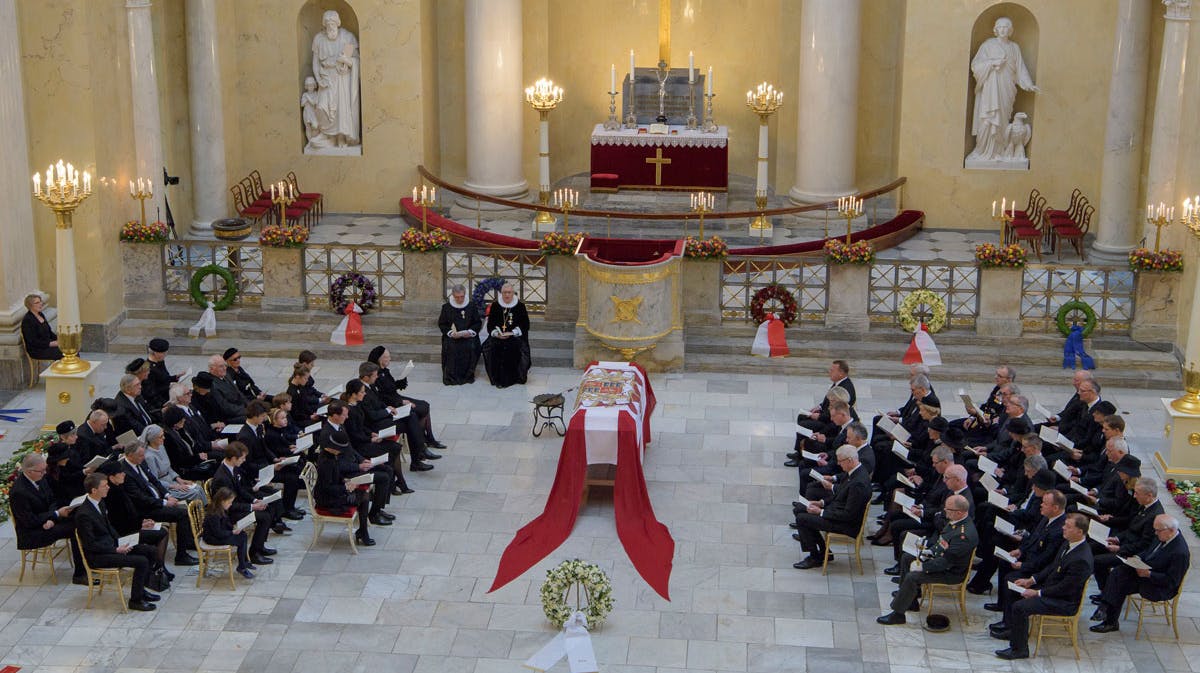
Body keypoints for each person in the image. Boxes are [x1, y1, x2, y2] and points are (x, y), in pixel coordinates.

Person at [991, 513, 1093, 660]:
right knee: (1013, 584)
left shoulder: (1081, 559)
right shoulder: (1068, 543)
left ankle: (1019, 650)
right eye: (1065, 524)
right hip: (1052, 587)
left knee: (1020, 607)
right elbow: (1053, 566)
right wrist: (1031, 580)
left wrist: (1037, 593)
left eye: (1068, 526)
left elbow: (1065, 588)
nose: (1063, 528)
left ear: (1079, 532)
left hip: (1064, 601)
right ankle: (1013, 630)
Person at [877, 494, 978, 625]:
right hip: (940, 560)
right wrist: (928, 552)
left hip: (951, 572)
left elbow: (946, 562)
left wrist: (923, 567)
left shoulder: (963, 535)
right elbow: (942, 542)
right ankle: (910, 600)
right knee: (907, 558)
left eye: (948, 509)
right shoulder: (956, 522)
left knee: (913, 577)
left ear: (959, 512)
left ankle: (898, 614)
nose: (944, 511)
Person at [74, 473, 161, 611]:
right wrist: (115, 550)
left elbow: (109, 528)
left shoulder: (100, 503)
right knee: (141, 561)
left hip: (112, 545)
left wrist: (122, 541)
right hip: (99, 555)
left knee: (151, 551)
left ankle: (141, 590)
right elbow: (91, 544)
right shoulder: (84, 514)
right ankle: (136, 601)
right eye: (104, 486)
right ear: (94, 490)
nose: (108, 487)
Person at [1090, 514, 1190, 633]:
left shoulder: (1180, 553)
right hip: (1147, 570)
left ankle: (1109, 618)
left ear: (1171, 530)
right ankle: (1105, 607)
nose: (1155, 533)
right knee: (1118, 572)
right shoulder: (1164, 535)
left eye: (1158, 530)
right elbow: (1149, 552)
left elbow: (1172, 581)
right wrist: (1137, 558)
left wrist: (1149, 574)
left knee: (1120, 584)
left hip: (1159, 586)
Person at [967, 17, 1038, 163]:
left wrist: (1029, 84)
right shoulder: (988, 45)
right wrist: (992, 63)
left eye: (1006, 27)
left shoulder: (1014, 48)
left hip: (1007, 88)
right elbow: (976, 65)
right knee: (988, 120)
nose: (1003, 29)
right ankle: (982, 150)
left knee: (1003, 120)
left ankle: (1000, 151)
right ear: (996, 29)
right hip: (990, 90)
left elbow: (1020, 69)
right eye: (1000, 27)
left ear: (1010, 30)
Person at [9, 453, 87, 584]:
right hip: (33, 532)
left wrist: (53, 517)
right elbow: (29, 521)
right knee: (76, 529)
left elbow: (52, 500)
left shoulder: (40, 478)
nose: (45, 473)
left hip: (47, 521)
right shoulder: (19, 492)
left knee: (80, 518)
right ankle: (80, 574)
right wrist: (55, 514)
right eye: (41, 471)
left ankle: (91, 560)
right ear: (29, 471)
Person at [791, 445, 871, 569]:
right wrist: (821, 503)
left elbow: (848, 514)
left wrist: (821, 512)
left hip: (846, 524)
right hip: (837, 511)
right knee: (799, 509)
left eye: (840, 461)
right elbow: (840, 495)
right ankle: (824, 551)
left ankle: (815, 557)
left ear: (850, 460)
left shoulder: (858, 484)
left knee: (802, 519)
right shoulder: (855, 471)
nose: (838, 464)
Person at [210, 442, 278, 566]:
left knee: (270, 508)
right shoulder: (221, 478)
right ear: (233, 458)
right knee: (264, 517)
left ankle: (260, 545)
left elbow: (240, 490)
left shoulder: (233, 468)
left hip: (237, 504)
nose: (244, 460)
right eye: (242, 458)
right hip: (228, 513)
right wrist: (252, 507)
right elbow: (228, 505)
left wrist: (254, 500)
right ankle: (254, 553)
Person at [368, 346, 446, 449]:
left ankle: (429, 438)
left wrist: (402, 380)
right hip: (392, 403)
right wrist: (401, 402)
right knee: (421, 409)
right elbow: (382, 397)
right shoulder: (376, 376)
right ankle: (422, 440)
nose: (390, 359)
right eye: (387, 357)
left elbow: (390, 387)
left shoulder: (384, 371)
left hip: (396, 398)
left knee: (424, 405)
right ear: (380, 359)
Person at [309, 9, 360, 151]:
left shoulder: (347, 37)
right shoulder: (319, 39)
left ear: (338, 23)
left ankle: (341, 136)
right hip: (325, 78)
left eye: (332, 24)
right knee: (321, 107)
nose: (330, 27)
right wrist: (318, 79)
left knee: (341, 109)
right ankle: (328, 136)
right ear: (324, 25)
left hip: (341, 79)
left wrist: (346, 62)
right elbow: (315, 62)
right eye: (327, 24)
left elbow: (353, 59)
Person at [314, 430, 374, 546]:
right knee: (363, 496)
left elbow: (336, 475)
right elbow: (327, 487)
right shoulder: (326, 462)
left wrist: (345, 481)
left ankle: (363, 531)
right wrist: (345, 487)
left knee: (364, 494)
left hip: (334, 491)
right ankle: (363, 532)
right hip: (328, 499)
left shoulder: (331, 456)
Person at [139, 424, 205, 504]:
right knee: (194, 493)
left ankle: (207, 508)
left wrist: (179, 479)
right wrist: (175, 486)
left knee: (198, 488)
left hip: (172, 480)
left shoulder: (161, 447)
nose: (164, 438)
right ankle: (199, 511)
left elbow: (168, 468)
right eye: (161, 436)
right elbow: (155, 480)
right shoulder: (149, 456)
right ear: (152, 439)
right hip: (165, 487)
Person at [482, 283, 531, 388]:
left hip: (514, 337)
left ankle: (513, 378)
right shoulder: (495, 305)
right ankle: (497, 377)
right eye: (505, 292)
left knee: (511, 347)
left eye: (509, 292)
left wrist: (513, 332)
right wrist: (496, 334)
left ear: (513, 293)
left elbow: (525, 325)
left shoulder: (520, 306)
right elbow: (490, 325)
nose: (507, 295)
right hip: (498, 337)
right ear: (501, 293)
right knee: (492, 347)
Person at [202, 487, 255, 579]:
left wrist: (235, 528)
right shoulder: (214, 514)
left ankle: (244, 562)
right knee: (241, 539)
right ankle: (242, 567)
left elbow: (226, 523)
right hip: (212, 538)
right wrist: (232, 532)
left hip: (218, 534)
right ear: (222, 501)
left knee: (243, 535)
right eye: (229, 502)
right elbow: (218, 533)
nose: (231, 504)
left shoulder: (221, 509)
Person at [438, 284, 482, 385]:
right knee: (451, 347)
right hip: (453, 337)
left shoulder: (471, 306)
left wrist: (470, 332)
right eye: (457, 297)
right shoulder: (446, 307)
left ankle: (467, 376)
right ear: (453, 296)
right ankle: (451, 376)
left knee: (471, 346)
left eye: (462, 296)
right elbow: (442, 324)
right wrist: (450, 333)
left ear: (465, 294)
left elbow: (477, 323)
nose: (460, 299)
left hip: (468, 336)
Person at [144, 338, 183, 410]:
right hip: (162, 401)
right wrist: (169, 386)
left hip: (168, 394)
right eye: (164, 353)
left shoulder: (160, 362)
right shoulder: (149, 370)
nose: (165, 355)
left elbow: (164, 378)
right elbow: (151, 392)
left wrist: (175, 377)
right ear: (156, 353)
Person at [20, 293, 62, 360]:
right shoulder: (27, 320)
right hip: (37, 350)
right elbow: (33, 341)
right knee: (63, 352)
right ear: (30, 306)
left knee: (69, 347)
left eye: (40, 301)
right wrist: (50, 344)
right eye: (37, 303)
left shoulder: (40, 314)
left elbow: (49, 332)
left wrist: (59, 339)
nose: (41, 304)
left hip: (47, 344)